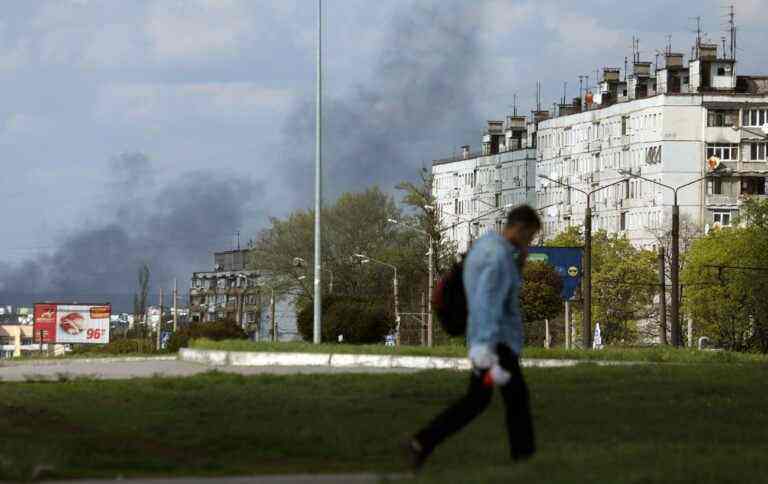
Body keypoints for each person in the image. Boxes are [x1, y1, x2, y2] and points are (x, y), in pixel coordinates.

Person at [407, 204, 541, 470]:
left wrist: (520, 261)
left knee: (482, 400)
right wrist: (484, 346)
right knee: (513, 399)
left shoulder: (488, 247)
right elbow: (486, 302)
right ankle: (524, 459)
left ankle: (423, 442)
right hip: (495, 341)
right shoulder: (497, 257)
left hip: (491, 339)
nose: (530, 242)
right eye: (530, 236)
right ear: (520, 228)